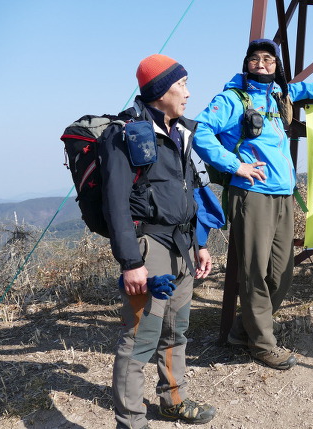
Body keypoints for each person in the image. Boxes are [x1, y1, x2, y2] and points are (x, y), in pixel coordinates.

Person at [193, 39, 313, 370]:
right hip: (252, 194)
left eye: (268, 59)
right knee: (255, 273)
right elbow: (201, 131)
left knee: (282, 272)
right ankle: (262, 344)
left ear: (276, 66)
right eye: (254, 58)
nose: (261, 63)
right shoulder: (232, 99)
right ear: (245, 64)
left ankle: (243, 331)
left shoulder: (278, 94)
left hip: (282, 194)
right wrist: (235, 165)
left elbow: (299, 88)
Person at [101, 54, 218, 428]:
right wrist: (131, 262)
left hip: (182, 247)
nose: (188, 92)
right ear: (159, 90)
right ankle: (131, 421)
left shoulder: (182, 131)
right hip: (149, 249)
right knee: (140, 339)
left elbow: (189, 193)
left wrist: (200, 243)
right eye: (181, 84)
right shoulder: (126, 134)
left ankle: (173, 401)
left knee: (175, 331)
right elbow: (115, 204)